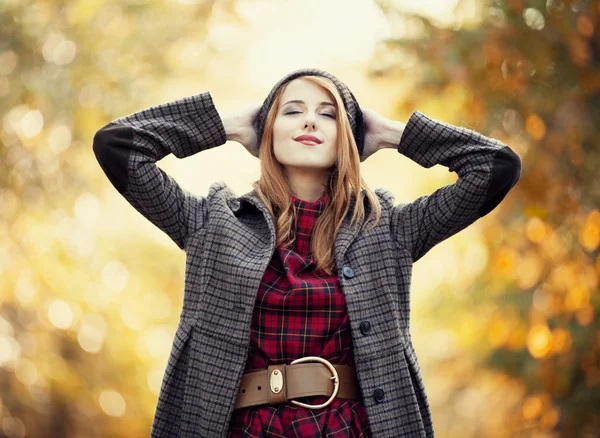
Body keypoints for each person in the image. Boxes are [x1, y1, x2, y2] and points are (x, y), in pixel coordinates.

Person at [92, 68, 521, 437]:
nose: (311, 122)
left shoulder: (389, 228)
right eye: (292, 111)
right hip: (243, 427)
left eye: (329, 114)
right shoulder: (211, 222)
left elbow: (495, 166)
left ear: (350, 137)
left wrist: (392, 133)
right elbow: (118, 146)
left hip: (350, 427)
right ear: (267, 131)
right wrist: (227, 124)